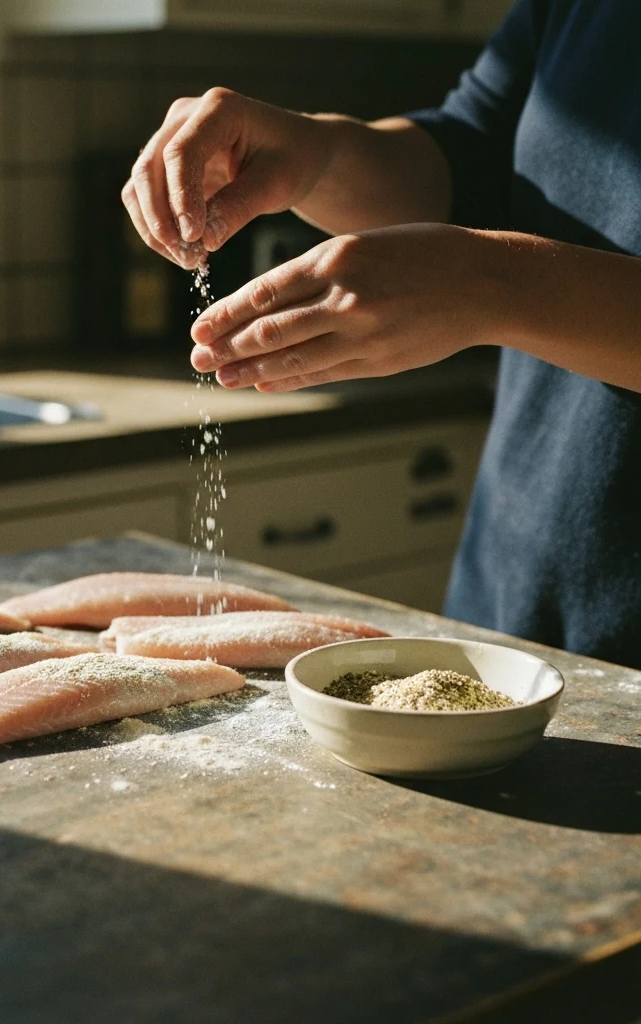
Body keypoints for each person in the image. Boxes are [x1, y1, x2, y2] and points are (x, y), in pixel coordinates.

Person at [121, 0, 641, 668]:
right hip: (517, 605)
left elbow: (490, 260)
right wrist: (320, 154)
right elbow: (466, 157)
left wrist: (490, 284)